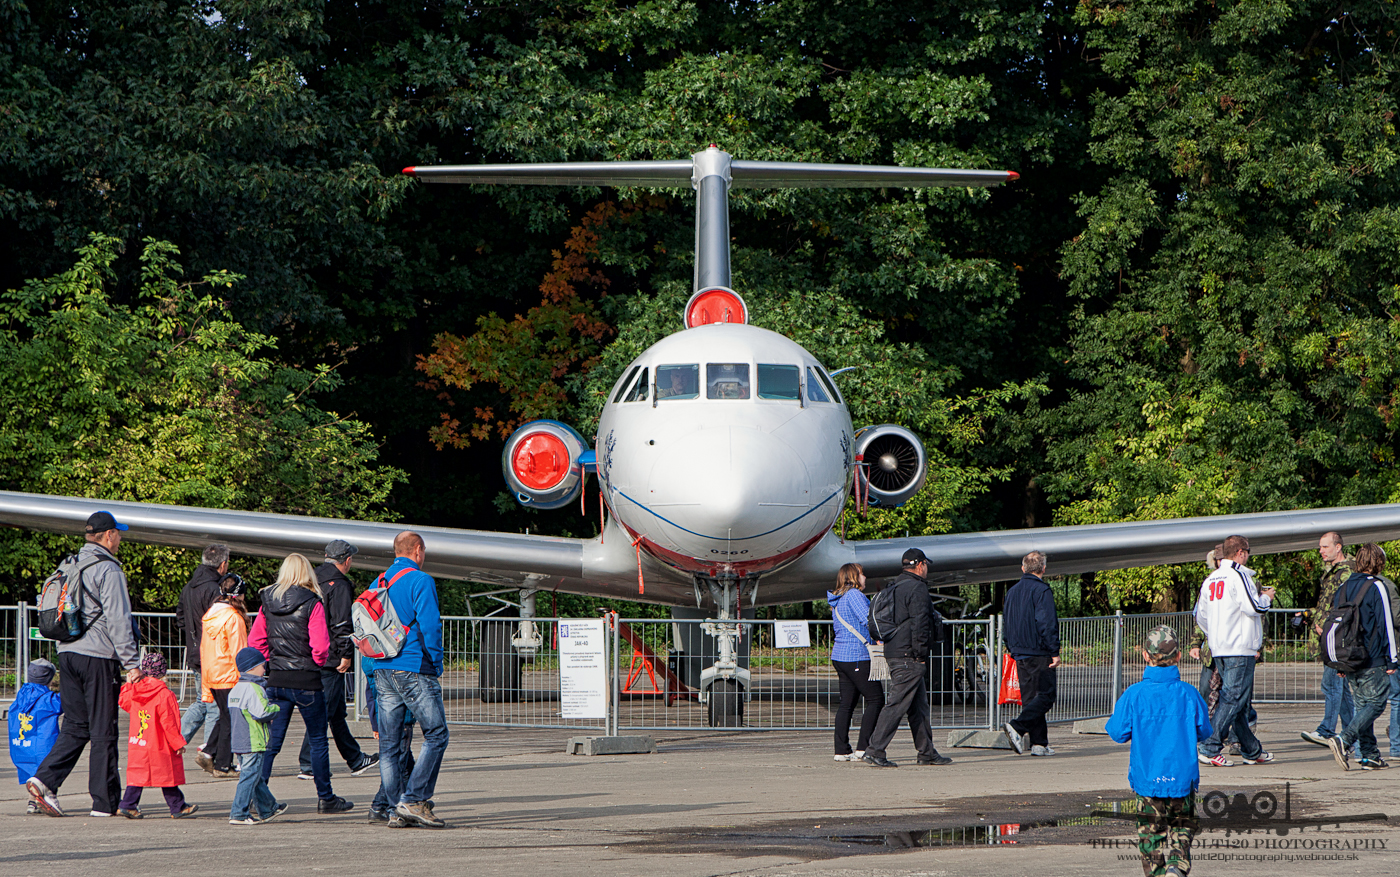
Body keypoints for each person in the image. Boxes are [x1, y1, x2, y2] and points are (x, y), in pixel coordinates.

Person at [27, 510, 142, 818]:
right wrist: (131, 663)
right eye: (118, 533)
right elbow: (119, 619)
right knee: (104, 729)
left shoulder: (70, 563)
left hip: (68, 652)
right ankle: (105, 803)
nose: (120, 538)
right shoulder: (109, 569)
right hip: (98, 656)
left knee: (76, 725)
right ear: (108, 536)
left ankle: (44, 780)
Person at [249, 553, 354, 814]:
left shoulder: (266, 601)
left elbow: (256, 641)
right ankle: (326, 798)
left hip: (277, 678)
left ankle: (258, 793)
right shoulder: (312, 601)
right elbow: (320, 646)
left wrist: (269, 662)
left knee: (271, 742)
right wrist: (316, 664)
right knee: (318, 739)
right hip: (306, 679)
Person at [1105, 625, 1212, 877]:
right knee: (1183, 829)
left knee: (1149, 838)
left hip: (1148, 779)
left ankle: (1158, 873)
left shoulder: (1134, 695)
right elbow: (1205, 731)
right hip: (1182, 779)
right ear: (1178, 657)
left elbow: (1117, 733)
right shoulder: (1189, 694)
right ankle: (1177, 865)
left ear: (1145, 655)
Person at [374, 530, 449, 828]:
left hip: (382, 668)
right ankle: (414, 799)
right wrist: (437, 661)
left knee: (390, 746)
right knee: (436, 734)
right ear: (417, 550)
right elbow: (431, 625)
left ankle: (396, 809)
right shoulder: (421, 580)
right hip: (414, 666)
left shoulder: (378, 582)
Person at [860, 548, 951, 768]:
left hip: (895, 650)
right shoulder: (917, 588)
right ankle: (875, 749)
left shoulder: (896, 586)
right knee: (897, 704)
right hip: (908, 655)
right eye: (926, 565)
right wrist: (920, 655)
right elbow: (920, 624)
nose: (926, 568)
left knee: (918, 706)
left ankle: (927, 752)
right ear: (920, 565)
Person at [297, 539, 377, 781]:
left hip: (310, 650)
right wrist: (345, 653)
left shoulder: (311, 578)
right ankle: (308, 762)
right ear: (348, 560)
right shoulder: (340, 584)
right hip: (330, 655)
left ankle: (355, 759)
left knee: (336, 711)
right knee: (325, 710)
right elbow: (341, 622)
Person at [1194, 534, 1274, 767]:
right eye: (1248, 550)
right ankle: (1210, 746)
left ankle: (1251, 749)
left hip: (1220, 647)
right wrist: (1266, 598)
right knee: (1233, 698)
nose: (1248, 555)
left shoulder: (1211, 579)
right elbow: (1254, 607)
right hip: (1240, 646)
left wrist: (1217, 635)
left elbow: (1201, 617)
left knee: (1237, 702)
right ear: (1240, 552)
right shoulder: (1239, 575)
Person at [1325, 543, 1398, 771]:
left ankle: (1369, 754)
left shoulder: (1344, 587)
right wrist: (1392, 658)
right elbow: (1386, 623)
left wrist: (1339, 661)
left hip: (1348, 656)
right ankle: (1344, 740)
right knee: (1376, 704)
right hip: (1372, 656)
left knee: (1361, 705)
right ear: (1378, 561)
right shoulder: (1378, 586)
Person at [116, 652, 198, 819]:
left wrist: (129, 684)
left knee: (138, 774)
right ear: (163, 672)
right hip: (158, 743)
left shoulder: (135, 691)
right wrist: (178, 743)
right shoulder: (165, 695)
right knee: (167, 775)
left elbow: (123, 702)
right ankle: (177, 806)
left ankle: (128, 804)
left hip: (139, 741)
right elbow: (170, 723)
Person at [1301, 532, 1357, 748]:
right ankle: (1351, 737)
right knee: (1341, 692)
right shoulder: (1333, 572)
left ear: (1338, 547)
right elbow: (1326, 603)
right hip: (1329, 635)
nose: (1321, 551)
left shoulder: (1347, 572)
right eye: (1320, 547)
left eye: (1325, 547)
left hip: (1337, 636)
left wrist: (1326, 625)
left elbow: (1344, 606)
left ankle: (1326, 730)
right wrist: (1311, 616)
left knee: (1331, 683)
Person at [1002, 551, 1060, 756]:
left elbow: (1006, 621)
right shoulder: (1041, 590)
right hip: (1039, 650)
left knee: (1030, 698)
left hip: (1019, 651)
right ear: (1043, 568)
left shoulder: (1013, 591)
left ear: (1023, 568)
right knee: (1046, 696)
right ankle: (1017, 727)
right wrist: (1054, 650)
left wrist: (1010, 645)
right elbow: (1046, 622)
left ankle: (1039, 743)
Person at [175, 544, 231, 752]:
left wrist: (193, 636)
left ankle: (174, 740)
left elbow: (180, 618)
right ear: (223, 564)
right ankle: (211, 752)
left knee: (202, 701)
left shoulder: (189, 586)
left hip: (195, 650)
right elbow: (219, 622)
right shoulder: (215, 589)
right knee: (214, 704)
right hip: (212, 654)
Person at [827, 562, 884, 762]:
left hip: (840, 656)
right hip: (857, 655)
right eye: (862, 574)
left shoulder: (838, 597)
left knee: (847, 704)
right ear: (853, 576)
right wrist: (881, 637)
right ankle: (863, 747)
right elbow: (868, 620)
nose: (865, 577)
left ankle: (841, 749)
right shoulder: (854, 595)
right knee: (876, 699)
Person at [195, 572, 248, 777]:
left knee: (226, 716)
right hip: (229, 673)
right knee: (230, 718)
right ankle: (221, 763)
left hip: (213, 672)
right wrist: (245, 676)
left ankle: (212, 754)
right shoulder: (234, 618)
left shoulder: (210, 615)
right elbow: (239, 650)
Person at [227, 647, 287, 825]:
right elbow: (261, 712)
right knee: (250, 776)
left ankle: (268, 808)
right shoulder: (255, 689)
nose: (265, 670)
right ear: (252, 668)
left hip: (239, 741)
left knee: (254, 776)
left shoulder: (235, 689)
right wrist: (276, 708)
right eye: (262, 666)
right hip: (254, 741)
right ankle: (238, 812)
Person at [364, 653, 420, 824]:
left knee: (404, 762)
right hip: (400, 717)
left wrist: (375, 722)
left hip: (384, 716)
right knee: (397, 764)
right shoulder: (396, 659)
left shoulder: (371, 659)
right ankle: (384, 806)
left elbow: (371, 694)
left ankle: (413, 800)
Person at [9, 658, 61, 815]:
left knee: (32, 772)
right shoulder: (49, 699)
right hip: (43, 744)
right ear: (49, 679)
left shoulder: (21, 695)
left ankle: (32, 801)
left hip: (22, 743)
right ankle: (43, 798)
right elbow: (65, 704)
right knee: (46, 772)